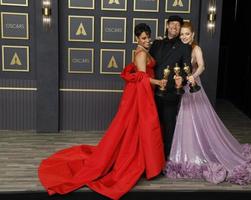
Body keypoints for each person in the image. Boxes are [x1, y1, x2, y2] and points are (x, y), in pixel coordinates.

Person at [38, 23, 165, 200]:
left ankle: (141, 160)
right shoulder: (141, 53)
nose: (147, 40)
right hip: (140, 96)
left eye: (148, 37)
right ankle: (137, 161)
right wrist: (158, 82)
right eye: (143, 38)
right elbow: (143, 78)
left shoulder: (142, 50)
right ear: (137, 38)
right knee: (136, 127)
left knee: (133, 127)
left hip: (139, 95)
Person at [164, 22, 251, 185]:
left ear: (193, 35)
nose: (183, 36)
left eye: (187, 34)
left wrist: (193, 76)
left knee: (198, 120)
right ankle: (188, 155)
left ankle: (200, 152)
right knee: (185, 122)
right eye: (181, 34)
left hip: (194, 89)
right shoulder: (178, 48)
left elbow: (202, 66)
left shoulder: (195, 49)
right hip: (182, 90)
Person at [149, 15, 192, 158]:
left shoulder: (184, 47)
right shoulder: (156, 43)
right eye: (172, 24)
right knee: (152, 126)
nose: (175, 26)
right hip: (152, 92)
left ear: (180, 29)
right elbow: (148, 65)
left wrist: (183, 80)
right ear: (167, 25)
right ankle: (152, 157)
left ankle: (167, 158)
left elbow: (188, 70)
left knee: (169, 126)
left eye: (178, 25)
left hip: (171, 93)